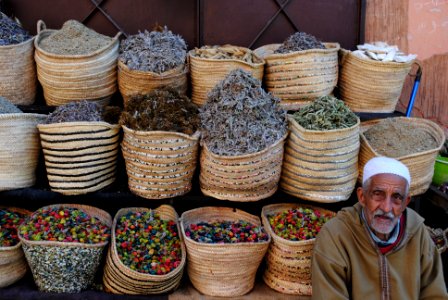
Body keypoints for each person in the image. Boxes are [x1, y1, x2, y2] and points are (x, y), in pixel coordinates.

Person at [312, 156, 448, 299]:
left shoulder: (418, 234)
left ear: (405, 202)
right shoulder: (335, 235)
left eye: (396, 197)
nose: (386, 207)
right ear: (362, 196)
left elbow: (435, 294)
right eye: (378, 194)